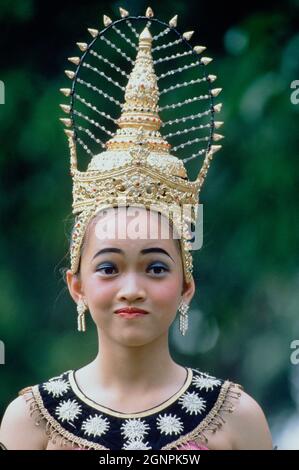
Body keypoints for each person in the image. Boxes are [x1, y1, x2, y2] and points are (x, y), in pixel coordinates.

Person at [0, 7, 273, 450]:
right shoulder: (32, 422)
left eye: (156, 268)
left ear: (187, 287)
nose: (132, 288)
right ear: (77, 285)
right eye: (108, 268)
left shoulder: (236, 420)